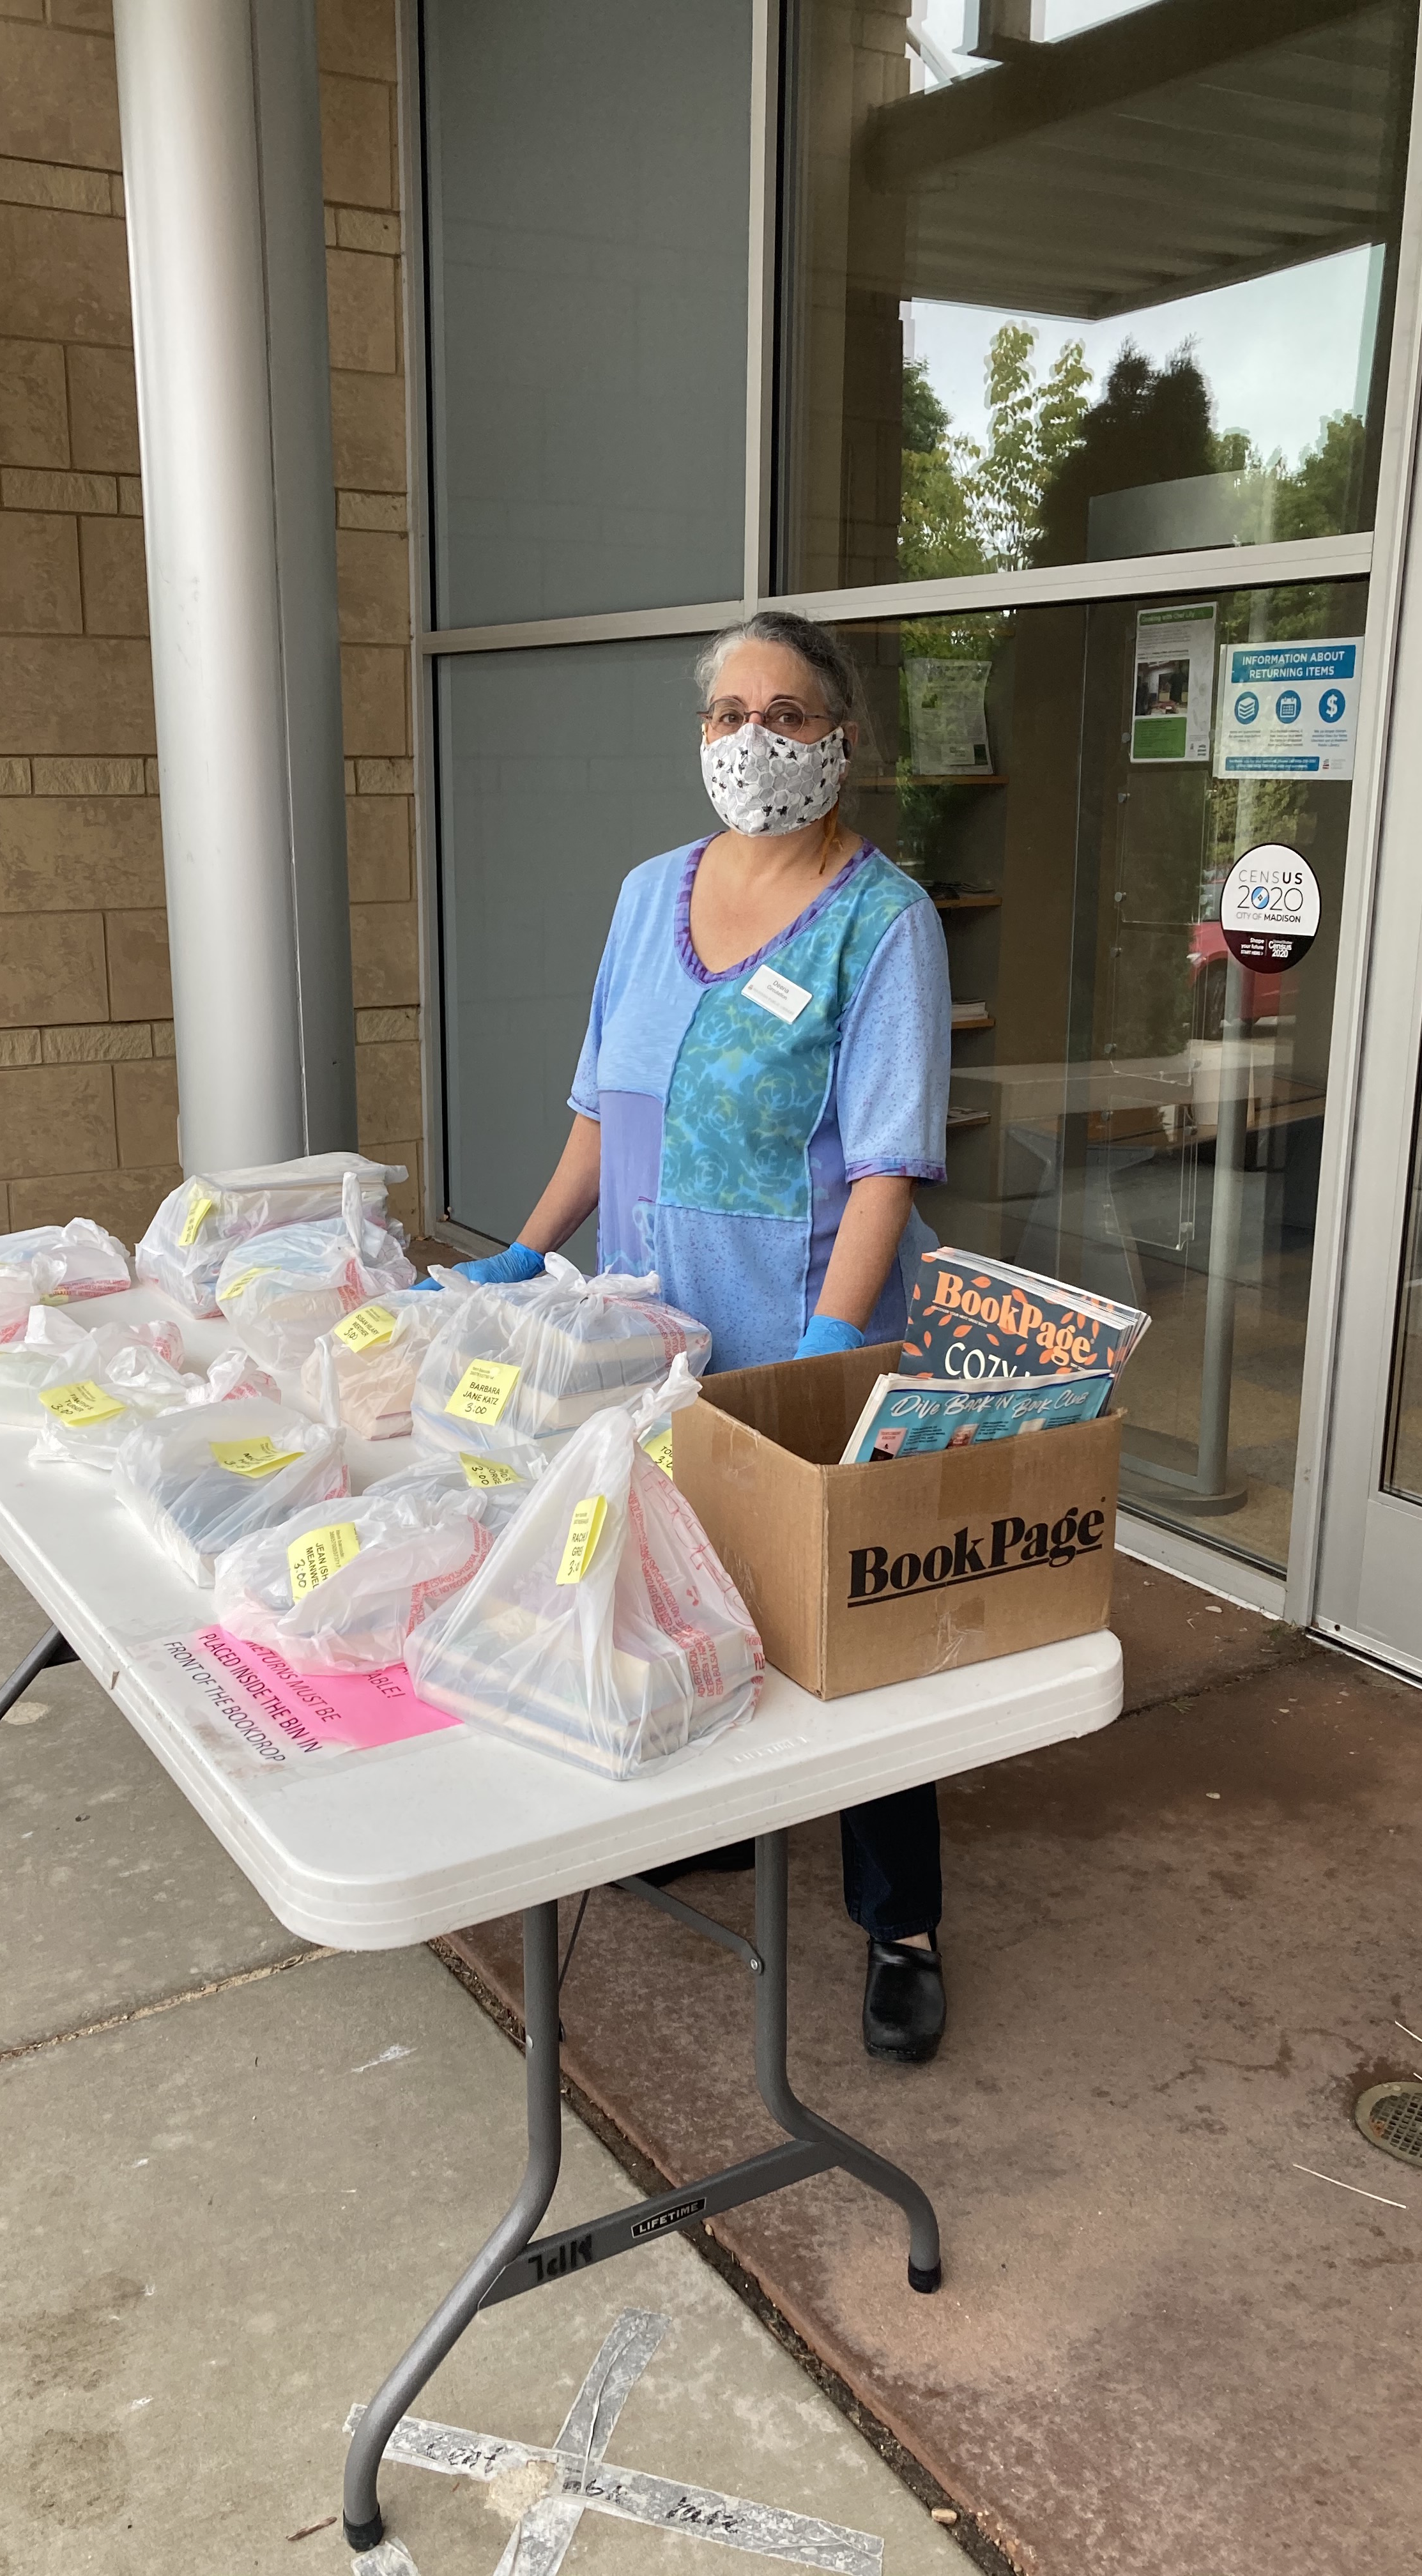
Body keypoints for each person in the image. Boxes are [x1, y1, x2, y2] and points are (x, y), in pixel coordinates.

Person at [434, 609, 953, 2062]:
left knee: (844, 1629)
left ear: (842, 739)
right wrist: (529, 1250)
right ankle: (729, 1818)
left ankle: (898, 1918)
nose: (753, 741)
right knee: (679, 1588)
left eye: (787, 714)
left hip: (797, 1332)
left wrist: (826, 1350)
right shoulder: (647, 893)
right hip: (644, 1334)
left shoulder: (880, 921)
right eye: (728, 714)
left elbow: (885, 1167)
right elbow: (605, 1110)